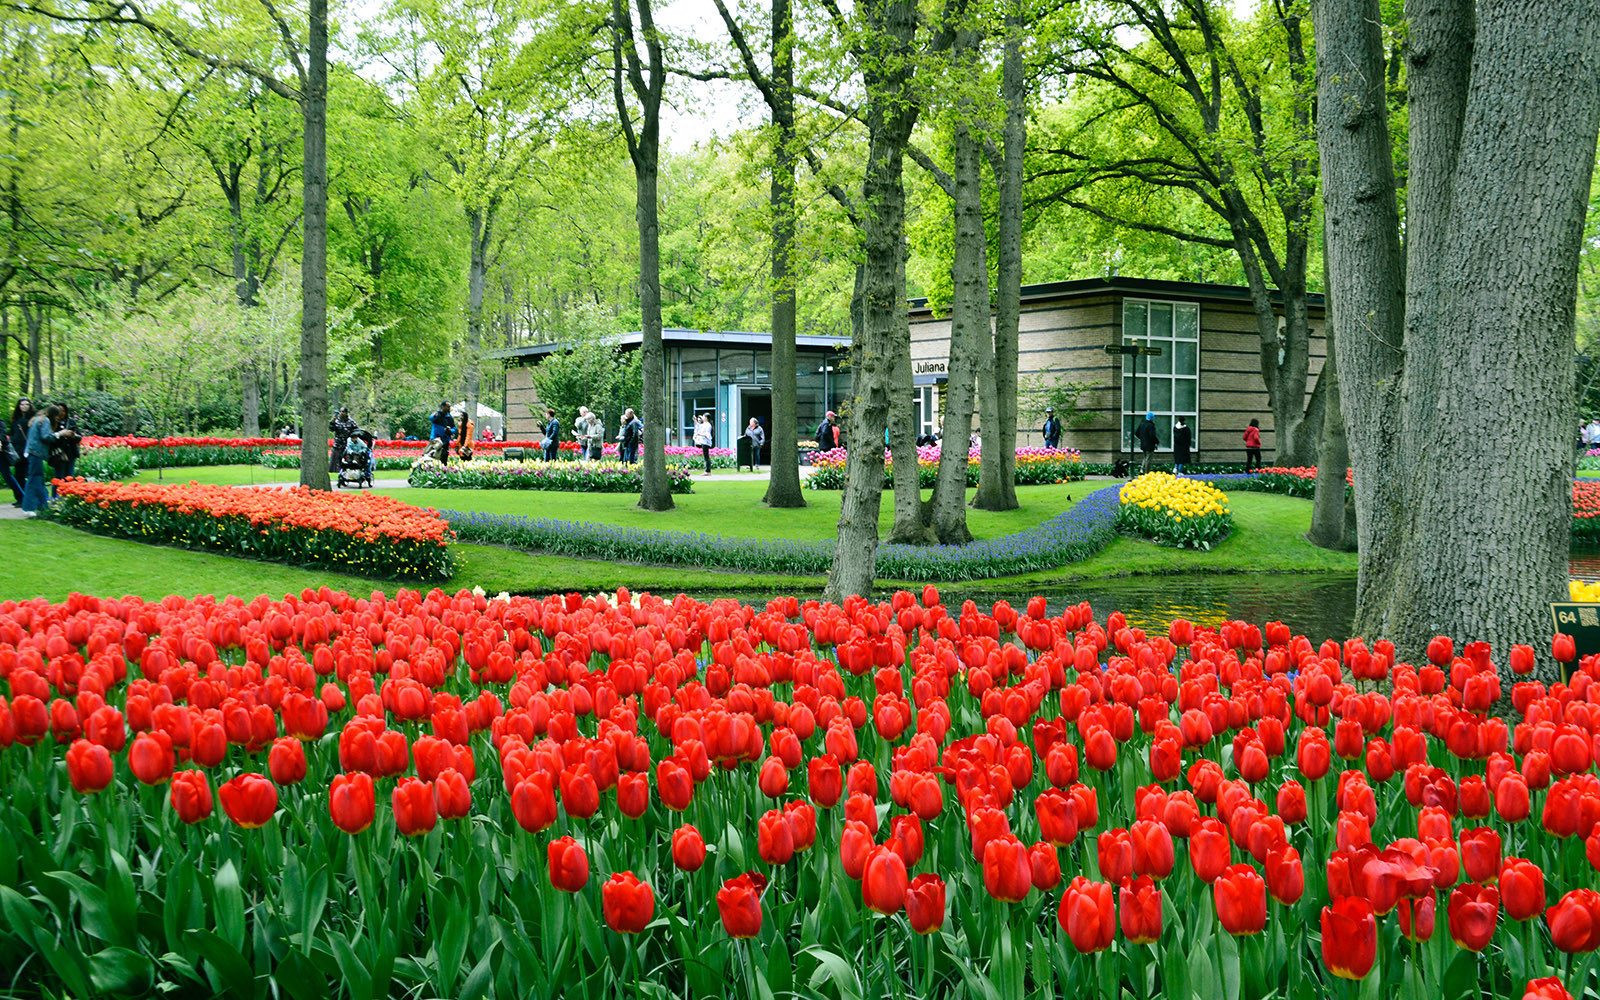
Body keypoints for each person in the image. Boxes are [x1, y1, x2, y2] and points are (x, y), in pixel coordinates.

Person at [22, 404, 72, 513]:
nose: (57, 419)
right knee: (34, 479)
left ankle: (42, 505)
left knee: (37, 479)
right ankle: (29, 507)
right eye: (57, 416)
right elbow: (45, 437)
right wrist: (60, 434)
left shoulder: (37, 419)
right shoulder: (45, 421)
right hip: (36, 453)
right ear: (53, 415)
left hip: (31, 452)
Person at [48, 401, 80, 492]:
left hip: (71, 452)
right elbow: (50, 438)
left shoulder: (71, 422)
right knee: (58, 478)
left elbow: (79, 437)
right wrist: (61, 434)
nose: (61, 413)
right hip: (58, 454)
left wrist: (73, 435)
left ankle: (68, 496)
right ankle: (55, 497)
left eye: (63, 411)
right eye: (59, 410)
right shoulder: (52, 423)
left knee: (69, 477)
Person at [9, 398, 33, 500]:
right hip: (18, 450)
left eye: (26, 404)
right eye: (22, 404)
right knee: (18, 474)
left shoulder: (32, 419)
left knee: (29, 474)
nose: (24, 406)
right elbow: (12, 433)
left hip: (29, 450)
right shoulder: (15, 420)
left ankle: (28, 497)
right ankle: (20, 497)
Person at [330, 406, 357, 476]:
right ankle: (337, 474)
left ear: (346, 413)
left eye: (343, 412)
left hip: (347, 444)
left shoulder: (351, 422)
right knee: (335, 461)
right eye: (340, 411)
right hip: (338, 444)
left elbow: (356, 431)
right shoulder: (336, 421)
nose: (341, 413)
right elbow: (331, 428)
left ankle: (348, 473)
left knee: (347, 461)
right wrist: (333, 421)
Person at [1135, 411, 1159, 476]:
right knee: (1148, 459)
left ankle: (1142, 470)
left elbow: (1136, 433)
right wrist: (1156, 441)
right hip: (1150, 445)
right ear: (1152, 418)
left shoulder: (1142, 424)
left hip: (1143, 444)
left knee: (1145, 457)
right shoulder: (1151, 426)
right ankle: (1146, 472)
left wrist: (1142, 438)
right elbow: (1152, 435)